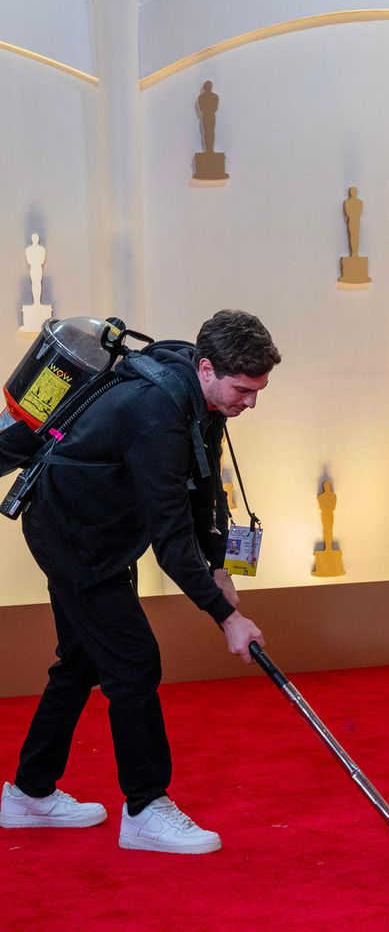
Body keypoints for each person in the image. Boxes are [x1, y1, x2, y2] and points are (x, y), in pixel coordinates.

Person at [0, 309, 281, 854]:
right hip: (75, 540)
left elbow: (203, 488)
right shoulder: (157, 413)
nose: (251, 402)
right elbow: (169, 537)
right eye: (244, 390)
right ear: (206, 368)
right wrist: (226, 617)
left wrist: (218, 564)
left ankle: (29, 793)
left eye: (258, 390)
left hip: (98, 533)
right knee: (134, 663)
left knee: (82, 661)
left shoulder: (199, 399)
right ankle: (146, 808)